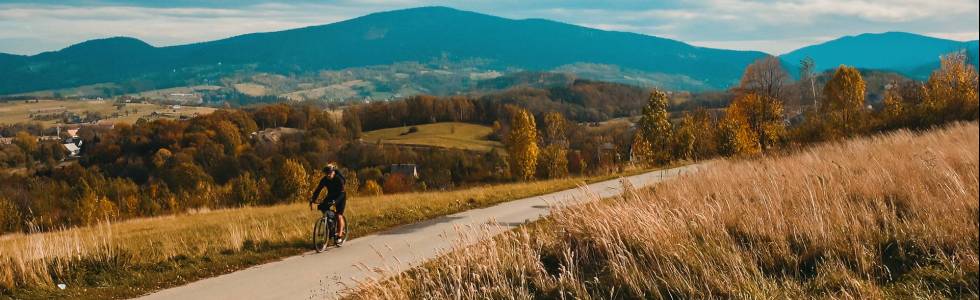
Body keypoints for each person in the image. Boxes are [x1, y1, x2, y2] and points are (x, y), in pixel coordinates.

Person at [310, 163, 346, 242]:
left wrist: (335, 202)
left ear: (333, 172)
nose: (328, 175)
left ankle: (339, 236)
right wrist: (313, 200)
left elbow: (342, 193)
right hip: (331, 196)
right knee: (323, 208)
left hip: (340, 196)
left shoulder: (339, 179)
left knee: (339, 215)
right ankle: (331, 227)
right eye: (327, 174)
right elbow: (318, 190)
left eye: (330, 173)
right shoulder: (324, 180)